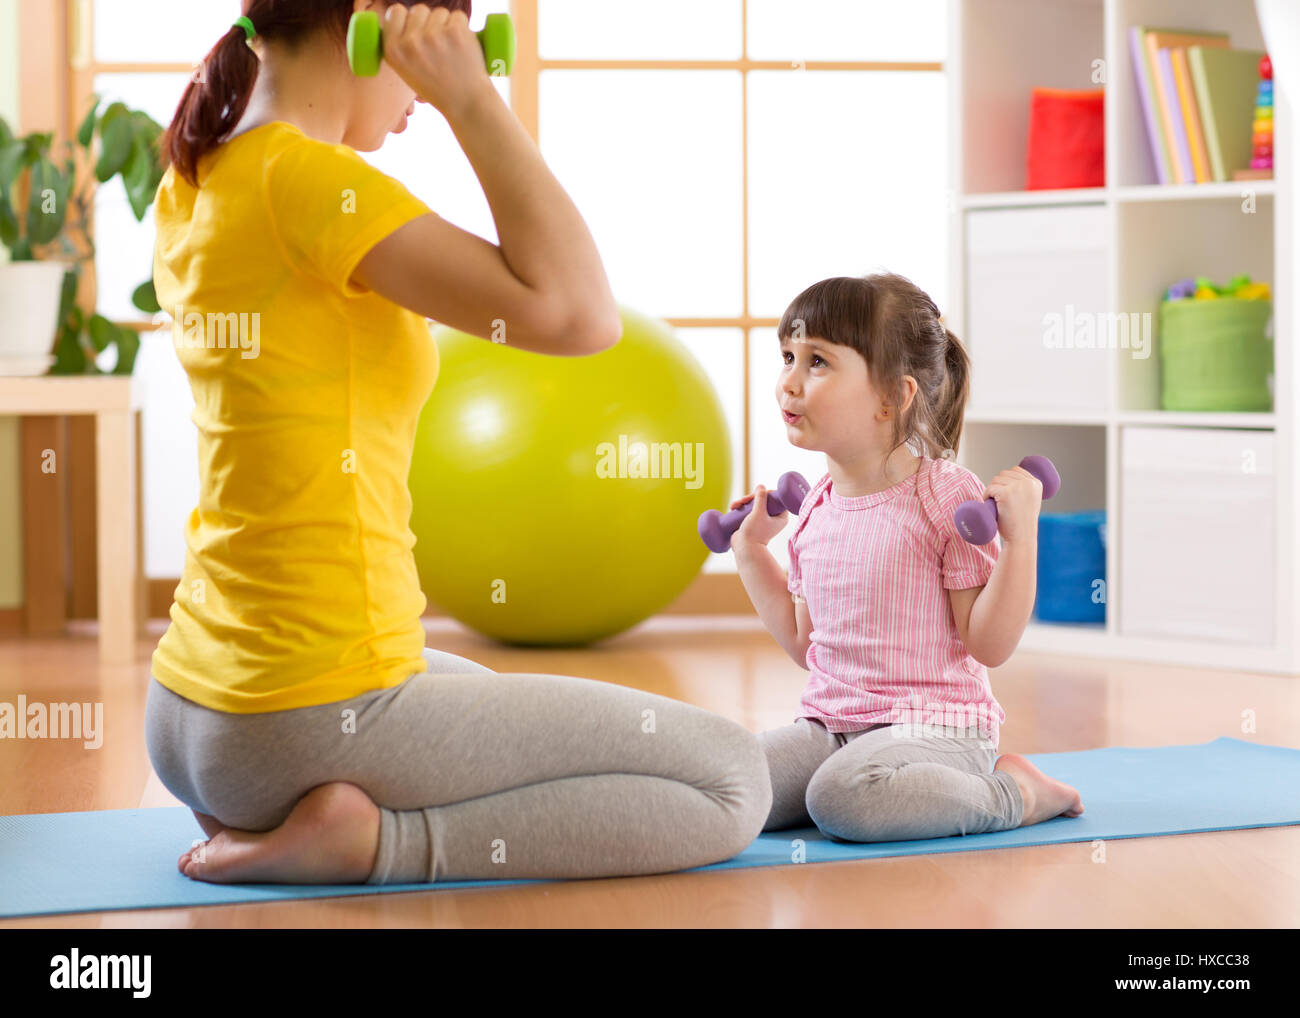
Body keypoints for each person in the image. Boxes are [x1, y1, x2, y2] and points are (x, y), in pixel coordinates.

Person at [144, 0, 771, 885]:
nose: (419, 92)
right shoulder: (311, 182)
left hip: (194, 709)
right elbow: (578, 315)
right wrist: (472, 100)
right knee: (730, 781)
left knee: (523, 714)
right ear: (374, 25)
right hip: (307, 711)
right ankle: (369, 845)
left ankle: (309, 810)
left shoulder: (199, 171)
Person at [730, 272, 1084, 843]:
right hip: (832, 725)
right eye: (787, 356)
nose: (789, 383)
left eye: (817, 362)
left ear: (894, 396)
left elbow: (988, 646)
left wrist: (1022, 540)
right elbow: (806, 644)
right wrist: (750, 550)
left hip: (940, 727)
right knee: (731, 779)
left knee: (841, 797)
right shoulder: (816, 507)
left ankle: (1015, 792)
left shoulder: (944, 496)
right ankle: (853, 775)